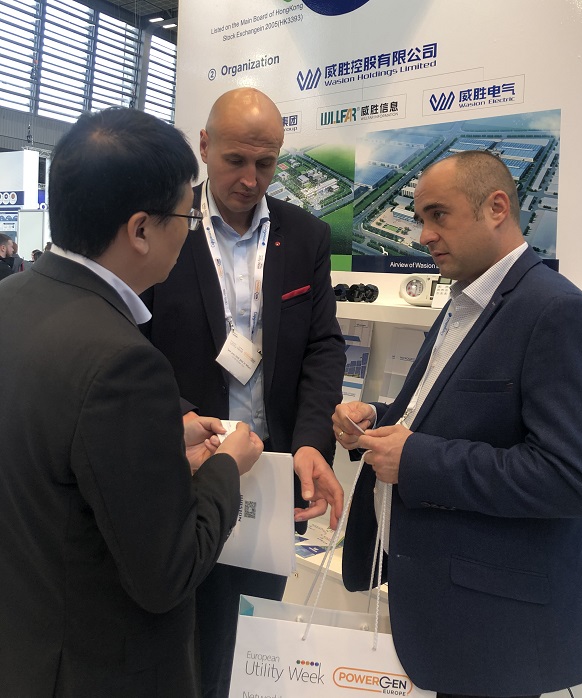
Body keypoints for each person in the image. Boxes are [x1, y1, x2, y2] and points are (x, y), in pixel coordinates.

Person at [333, 150, 582, 698]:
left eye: (438, 215)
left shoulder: (557, 312)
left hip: (498, 627)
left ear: (497, 207)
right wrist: (379, 419)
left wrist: (415, 460)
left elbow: (575, 479)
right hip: (448, 605)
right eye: (420, 218)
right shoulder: (465, 302)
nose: (423, 236)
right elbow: (459, 419)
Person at [0, 107, 264, 698]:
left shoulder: (12, 300)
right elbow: (167, 572)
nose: (189, 232)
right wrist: (226, 467)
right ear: (141, 230)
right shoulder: (124, 361)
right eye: (186, 216)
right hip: (96, 665)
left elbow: (52, 457)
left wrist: (158, 441)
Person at [141, 86, 346, 697]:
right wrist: (179, 419)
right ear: (204, 147)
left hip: (274, 473)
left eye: (266, 163)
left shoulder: (305, 236)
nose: (251, 179)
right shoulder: (162, 228)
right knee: (176, 639)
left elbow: (323, 346)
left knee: (250, 641)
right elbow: (132, 346)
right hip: (184, 468)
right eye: (235, 160)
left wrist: (311, 441)